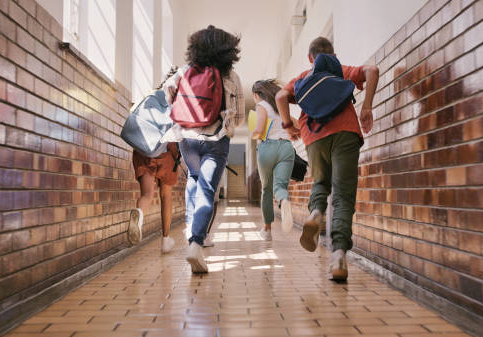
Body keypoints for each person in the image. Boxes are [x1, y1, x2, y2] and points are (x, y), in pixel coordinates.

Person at [275, 37, 379, 281]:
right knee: (343, 195)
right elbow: (372, 70)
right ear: (332, 55)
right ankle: (339, 256)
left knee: (321, 182)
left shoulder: (303, 77)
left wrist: (288, 124)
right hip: (346, 133)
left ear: (311, 58)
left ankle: (315, 214)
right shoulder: (340, 71)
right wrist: (367, 107)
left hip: (314, 136)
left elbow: (280, 96)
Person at [162, 25, 244, 273]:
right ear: (228, 50)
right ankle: (196, 243)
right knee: (207, 191)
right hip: (216, 139)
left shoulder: (187, 70)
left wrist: (180, 113)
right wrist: (225, 126)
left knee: (194, 180)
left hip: (187, 138)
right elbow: (238, 116)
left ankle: (190, 228)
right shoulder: (231, 77)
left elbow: (167, 90)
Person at [128, 69, 182, 254]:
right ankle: (165, 240)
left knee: (147, 194)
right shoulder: (179, 104)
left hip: (143, 149)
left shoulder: (151, 96)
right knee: (166, 195)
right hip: (167, 154)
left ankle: (139, 214)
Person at [250, 79, 295, 241]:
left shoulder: (261, 105)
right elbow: (295, 126)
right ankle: (283, 200)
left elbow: (259, 129)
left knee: (267, 189)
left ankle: (267, 230)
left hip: (267, 148)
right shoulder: (280, 105)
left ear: (256, 95)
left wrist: (253, 133)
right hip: (286, 147)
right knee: (280, 186)